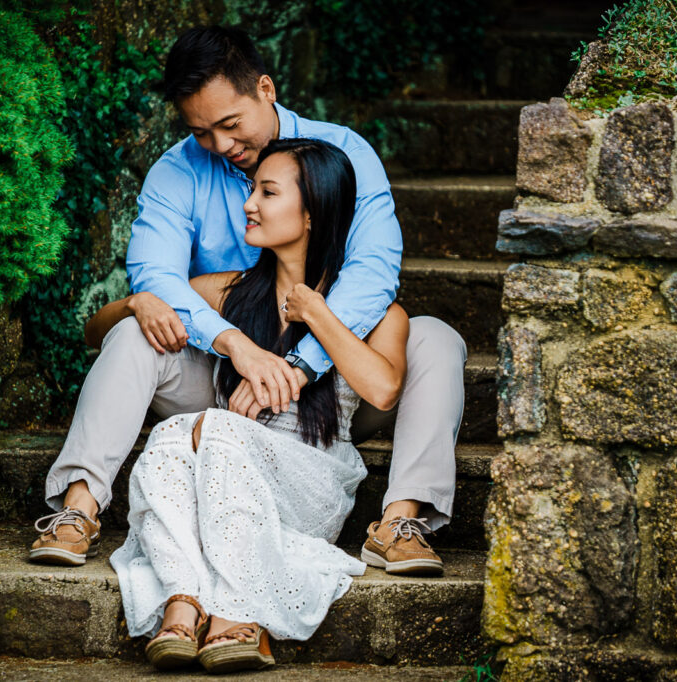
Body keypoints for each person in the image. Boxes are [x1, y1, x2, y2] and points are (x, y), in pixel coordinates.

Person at [30, 25, 466, 578]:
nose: (220, 146)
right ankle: (78, 508)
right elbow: (154, 275)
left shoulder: (345, 154)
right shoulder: (178, 170)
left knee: (435, 338)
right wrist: (235, 345)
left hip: (332, 387)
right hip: (222, 379)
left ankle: (401, 521)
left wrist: (298, 364)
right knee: (134, 327)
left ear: (265, 87)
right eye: (201, 131)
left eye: (230, 125)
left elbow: (372, 272)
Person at [111, 138, 408, 673]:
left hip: (312, 482)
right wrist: (139, 299)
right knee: (171, 436)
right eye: (253, 190)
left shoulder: (372, 313)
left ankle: (235, 608)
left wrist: (317, 316)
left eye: (268, 192)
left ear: (313, 213)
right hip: (220, 479)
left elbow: (383, 390)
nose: (249, 204)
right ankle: (185, 598)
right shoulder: (230, 292)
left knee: (215, 430)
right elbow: (100, 329)